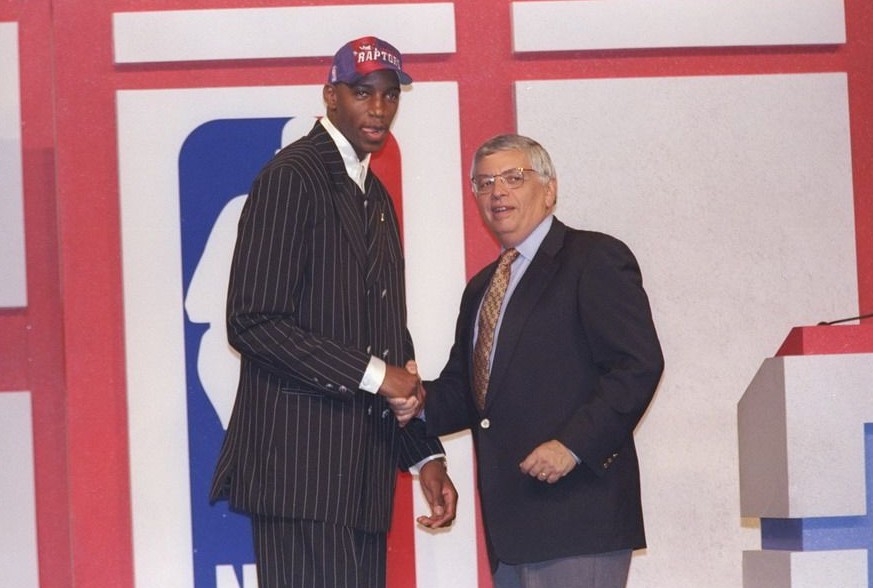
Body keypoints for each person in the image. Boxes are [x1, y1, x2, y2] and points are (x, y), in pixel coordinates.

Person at [209, 36, 457, 588]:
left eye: (390, 95)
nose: (379, 108)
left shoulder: (375, 196)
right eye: (362, 92)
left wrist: (425, 457)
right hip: (301, 476)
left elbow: (388, 333)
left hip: (360, 482)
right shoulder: (292, 176)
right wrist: (376, 374)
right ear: (330, 96)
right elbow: (252, 320)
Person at [421, 134, 663, 587]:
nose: (497, 191)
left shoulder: (594, 257)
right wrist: (405, 396)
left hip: (579, 518)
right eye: (484, 182)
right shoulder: (481, 288)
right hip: (510, 530)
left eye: (514, 178)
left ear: (549, 190)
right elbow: (465, 395)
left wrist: (571, 446)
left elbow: (637, 366)